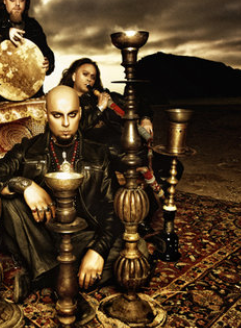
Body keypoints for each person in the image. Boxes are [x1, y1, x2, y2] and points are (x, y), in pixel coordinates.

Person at [0, 86, 133, 318]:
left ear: (80, 113)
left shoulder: (98, 153)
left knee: (135, 251)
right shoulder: (29, 149)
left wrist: (97, 250)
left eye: (72, 115)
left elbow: (112, 211)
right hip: (39, 235)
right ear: (46, 114)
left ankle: (43, 276)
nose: (66, 123)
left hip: (80, 237)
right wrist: (24, 184)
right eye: (57, 115)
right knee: (8, 202)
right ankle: (65, 283)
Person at [59, 58, 183, 233]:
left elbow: (135, 103)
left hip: (126, 148)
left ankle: (153, 212)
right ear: (73, 75)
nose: (89, 80)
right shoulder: (65, 99)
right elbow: (74, 129)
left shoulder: (102, 96)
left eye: (93, 77)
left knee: (174, 166)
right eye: (85, 74)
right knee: (139, 166)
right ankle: (139, 218)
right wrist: (99, 109)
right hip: (99, 153)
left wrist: (145, 118)